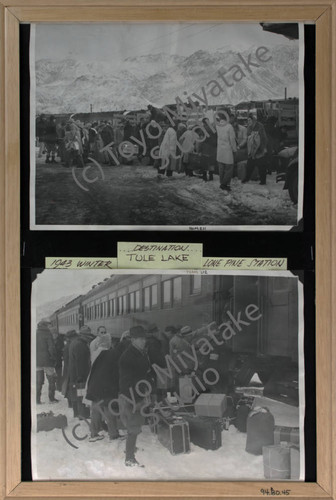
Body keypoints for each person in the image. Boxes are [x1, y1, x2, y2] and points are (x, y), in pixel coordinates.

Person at [119, 325, 154, 467]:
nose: (143, 341)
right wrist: (137, 399)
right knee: (133, 427)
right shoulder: (128, 356)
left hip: (137, 393)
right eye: (140, 339)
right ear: (133, 340)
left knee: (135, 425)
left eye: (144, 338)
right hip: (132, 396)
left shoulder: (138, 352)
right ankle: (129, 458)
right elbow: (128, 381)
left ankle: (131, 449)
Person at [85, 345, 121, 442]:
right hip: (106, 388)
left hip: (95, 386)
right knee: (109, 409)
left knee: (96, 410)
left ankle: (94, 433)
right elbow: (116, 375)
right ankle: (114, 434)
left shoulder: (102, 355)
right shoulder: (117, 356)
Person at [68, 325, 94, 418]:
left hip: (75, 374)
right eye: (88, 337)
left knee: (77, 395)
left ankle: (77, 413)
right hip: (80, 376)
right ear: (84, 336)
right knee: (82, 395)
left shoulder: (75, 342)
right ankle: (83, 414)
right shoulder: (81, 345)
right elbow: (81, 362)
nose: (89, 339)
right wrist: (81, 377)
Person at [36, 319, 58, 404]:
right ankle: (51, 399)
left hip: (37, 362)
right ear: (45, 325)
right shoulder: (48, 334)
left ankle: (37, 400)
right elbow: (51, 348)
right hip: (48, 361)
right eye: (48, 325)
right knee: (51, 380)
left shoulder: (35, 333)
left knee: (39, 381)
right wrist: (53, 358)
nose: (50, 326)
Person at [243, 113, 268, 185]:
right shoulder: (249, 127)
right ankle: (247, 178)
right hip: (252, 150)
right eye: (247, 120)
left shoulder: (260, 126)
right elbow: (248, 138)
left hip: (260, 149)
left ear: (253, 120)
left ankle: (263, 181)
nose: (248, 122)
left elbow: (264, 138)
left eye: (249, 120)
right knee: (249, 165)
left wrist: (262, 148)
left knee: (261, 166)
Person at [216, 112, 237, 191]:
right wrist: (234, 149)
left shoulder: (218, 125)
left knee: (221, 168)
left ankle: (222, 182)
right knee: (229, 168)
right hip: (227, 151)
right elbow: (232, 139)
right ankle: (224, 184)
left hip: (220, 150)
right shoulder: (229, 126)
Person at [61, 329, 78, 408]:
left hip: (68, 368)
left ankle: (70, 403)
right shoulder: (70, 345)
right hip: (69, 369)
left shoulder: (68, 345)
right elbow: (67, 358)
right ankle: (71, 403)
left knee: (69, 386)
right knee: (70, 386)